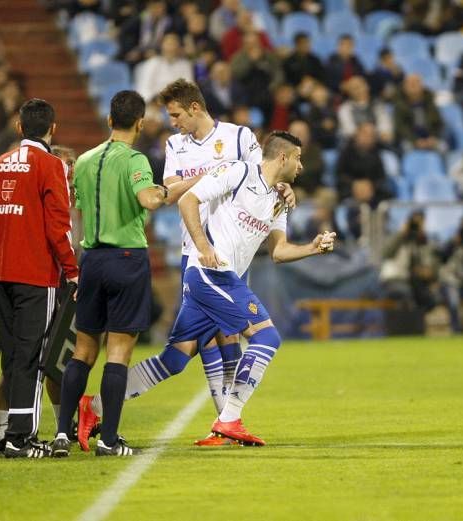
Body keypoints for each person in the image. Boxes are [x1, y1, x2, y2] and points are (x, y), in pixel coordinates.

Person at [73, 79, 296, 450]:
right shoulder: (175, 145)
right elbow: (170, 193)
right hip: (199, 253)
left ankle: (95, 407)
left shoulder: (239, 137)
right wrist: (215, 172)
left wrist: (287, 188)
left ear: (195, 108)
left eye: (176, 114)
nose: (172, 122)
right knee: (227, 340)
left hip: (233, 252)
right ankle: (227, 422)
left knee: (180, 356)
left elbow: (268, 173)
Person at [172, 131, 335, 445]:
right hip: (211, 271)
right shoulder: (239, 171)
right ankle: (229, 419)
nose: (301, 166)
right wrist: (203, 247)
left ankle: (94, 406)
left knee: (174, 358)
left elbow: (279, 252)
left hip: (223, 277)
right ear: (283, 157)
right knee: (267, 336)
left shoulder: (279, 201)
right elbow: (187, 199)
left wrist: (313, 248)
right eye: (298, 158)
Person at [54, 90, 175, 457]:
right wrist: (166, 190)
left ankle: (62, 435)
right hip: (126, 258)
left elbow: (73, 202)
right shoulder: (135, 159)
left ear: (109, 121)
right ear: (139, 123)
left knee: (82, 352)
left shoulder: (87, 159)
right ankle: (108, 439)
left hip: (91, 259)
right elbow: (148, 199)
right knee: (118, 352)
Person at [0, 99, 78, 459]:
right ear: (53, 129)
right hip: (36, 275)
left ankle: (9, 433)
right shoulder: (51, 166)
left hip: (0, 272)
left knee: (12, 356)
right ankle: (21, 438)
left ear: (19, 128)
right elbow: (58, 227)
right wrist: (71, 270)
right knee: (34, 355)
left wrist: (0, 252)